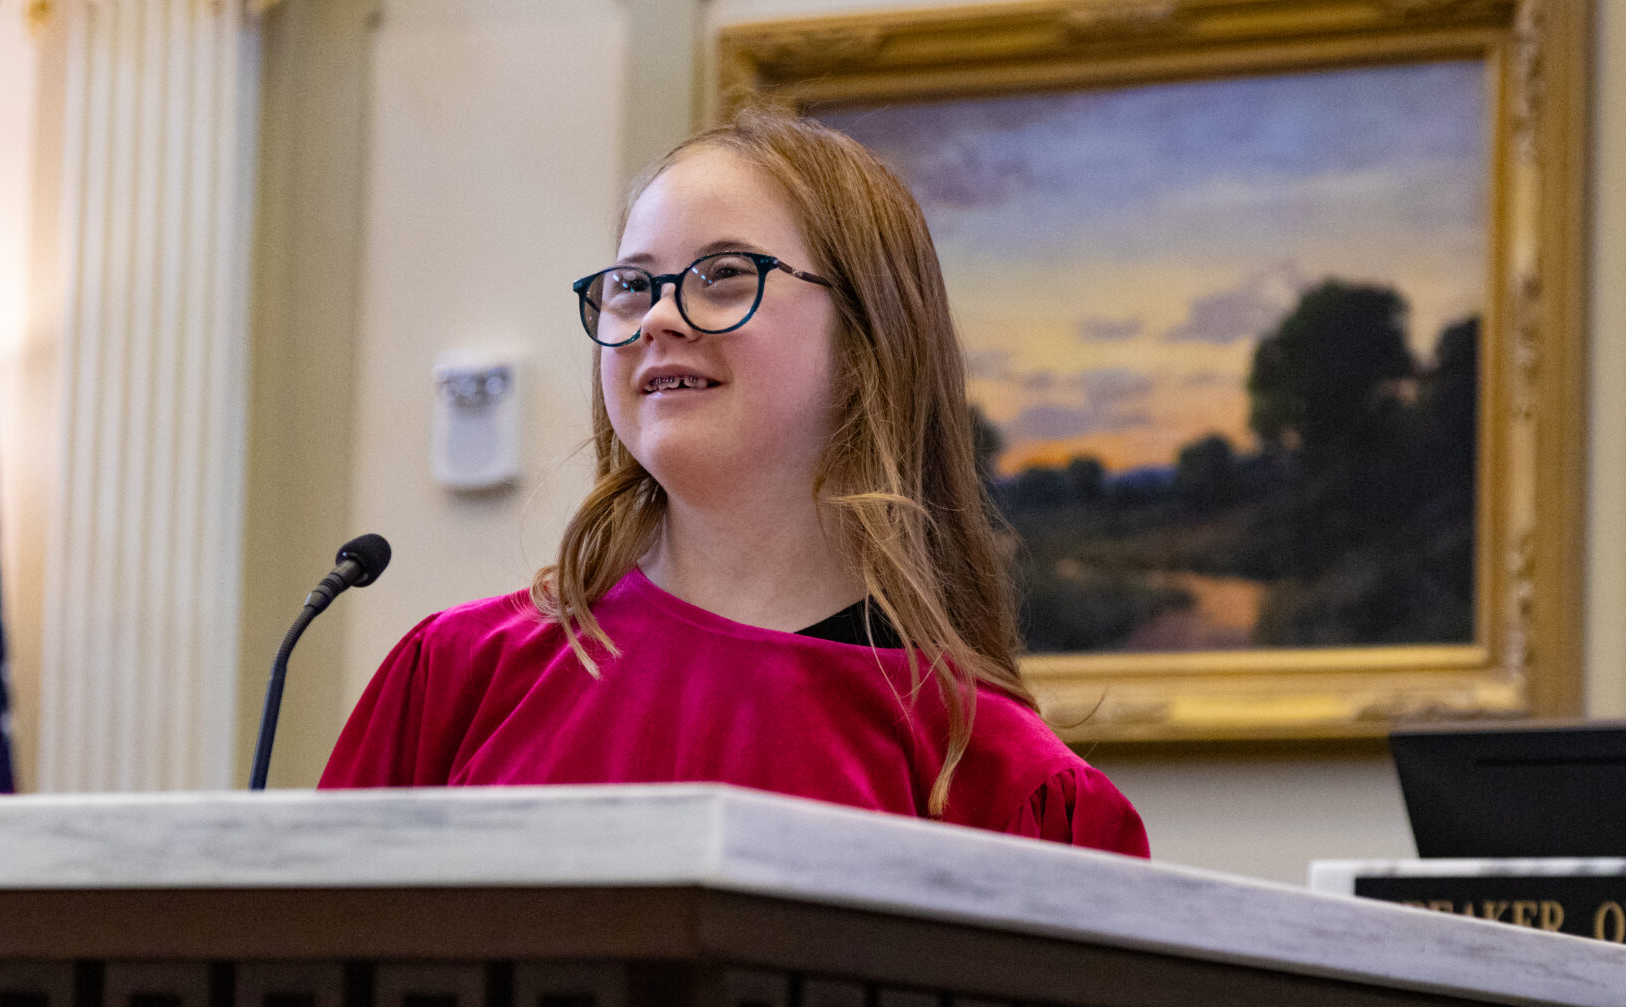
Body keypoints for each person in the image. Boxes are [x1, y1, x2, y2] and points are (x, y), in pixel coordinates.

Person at [319, 109, 1148, 857]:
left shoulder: (1000, 786)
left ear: (869, 343)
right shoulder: (461, 679)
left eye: (724, 277)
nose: (659, 319)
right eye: (632, 287)